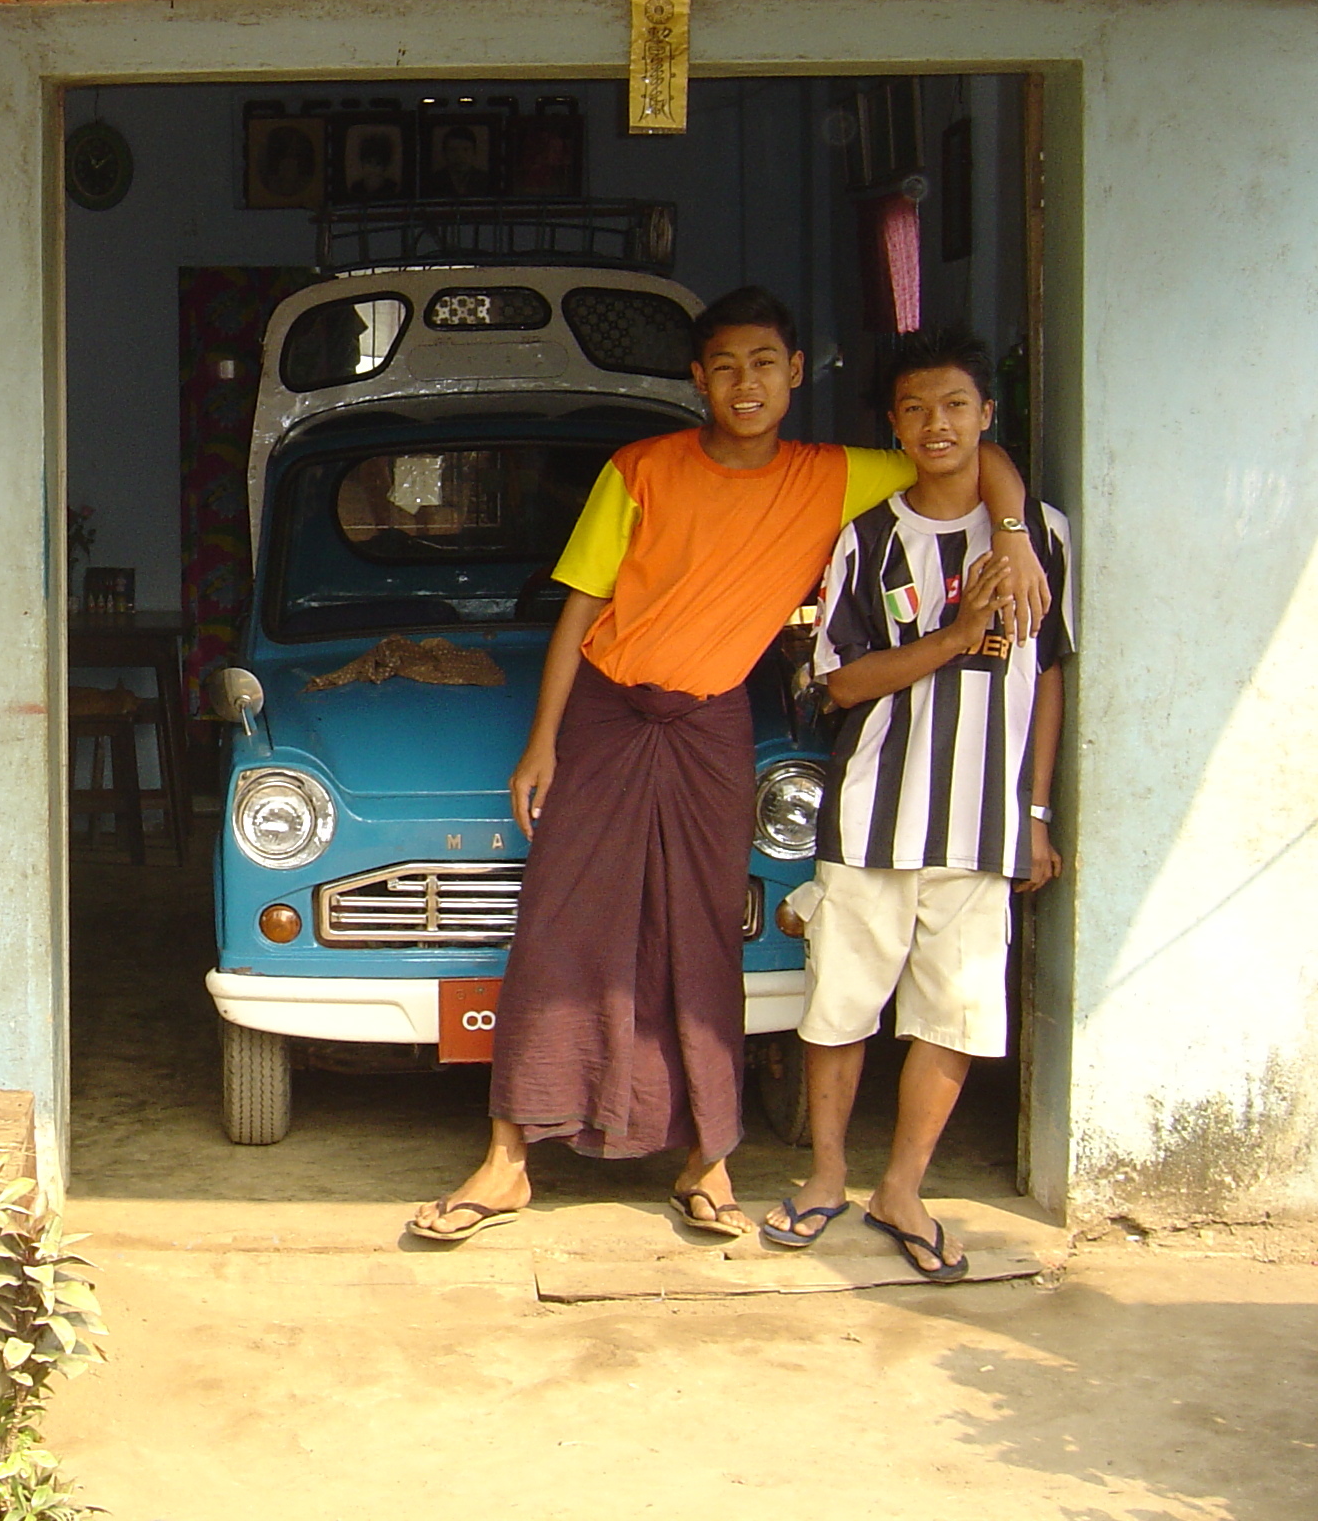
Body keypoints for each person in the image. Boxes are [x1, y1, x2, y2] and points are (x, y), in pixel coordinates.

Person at [409, 288, 1051, 1246]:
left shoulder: (835, 476)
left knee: (701, 926)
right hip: (609, 711)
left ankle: (706, 1161)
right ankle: (507, 1162)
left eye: (764, 363)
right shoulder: (641, 468)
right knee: (557, 922)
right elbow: (581, 611)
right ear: (697, 380)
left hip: (710, 723)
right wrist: (543, 739)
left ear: (796, 375)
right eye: (723, 367)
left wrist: (1013, 536)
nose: (744, 383)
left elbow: (970, 450)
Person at [761, 327, 1071, 1281]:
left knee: (953, 1016)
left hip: (984, 825)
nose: (936, 425)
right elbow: (839, 686)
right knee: (839, 1011)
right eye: (915, 409)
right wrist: (957, 634)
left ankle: (903, 1189)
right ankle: (825, 1177)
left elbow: (1050, 678)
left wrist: (1038, 812)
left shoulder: (1040, 536)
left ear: (985, 416)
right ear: (893, 425)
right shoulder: (868, 539)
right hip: (872, 816)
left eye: (954, 406)